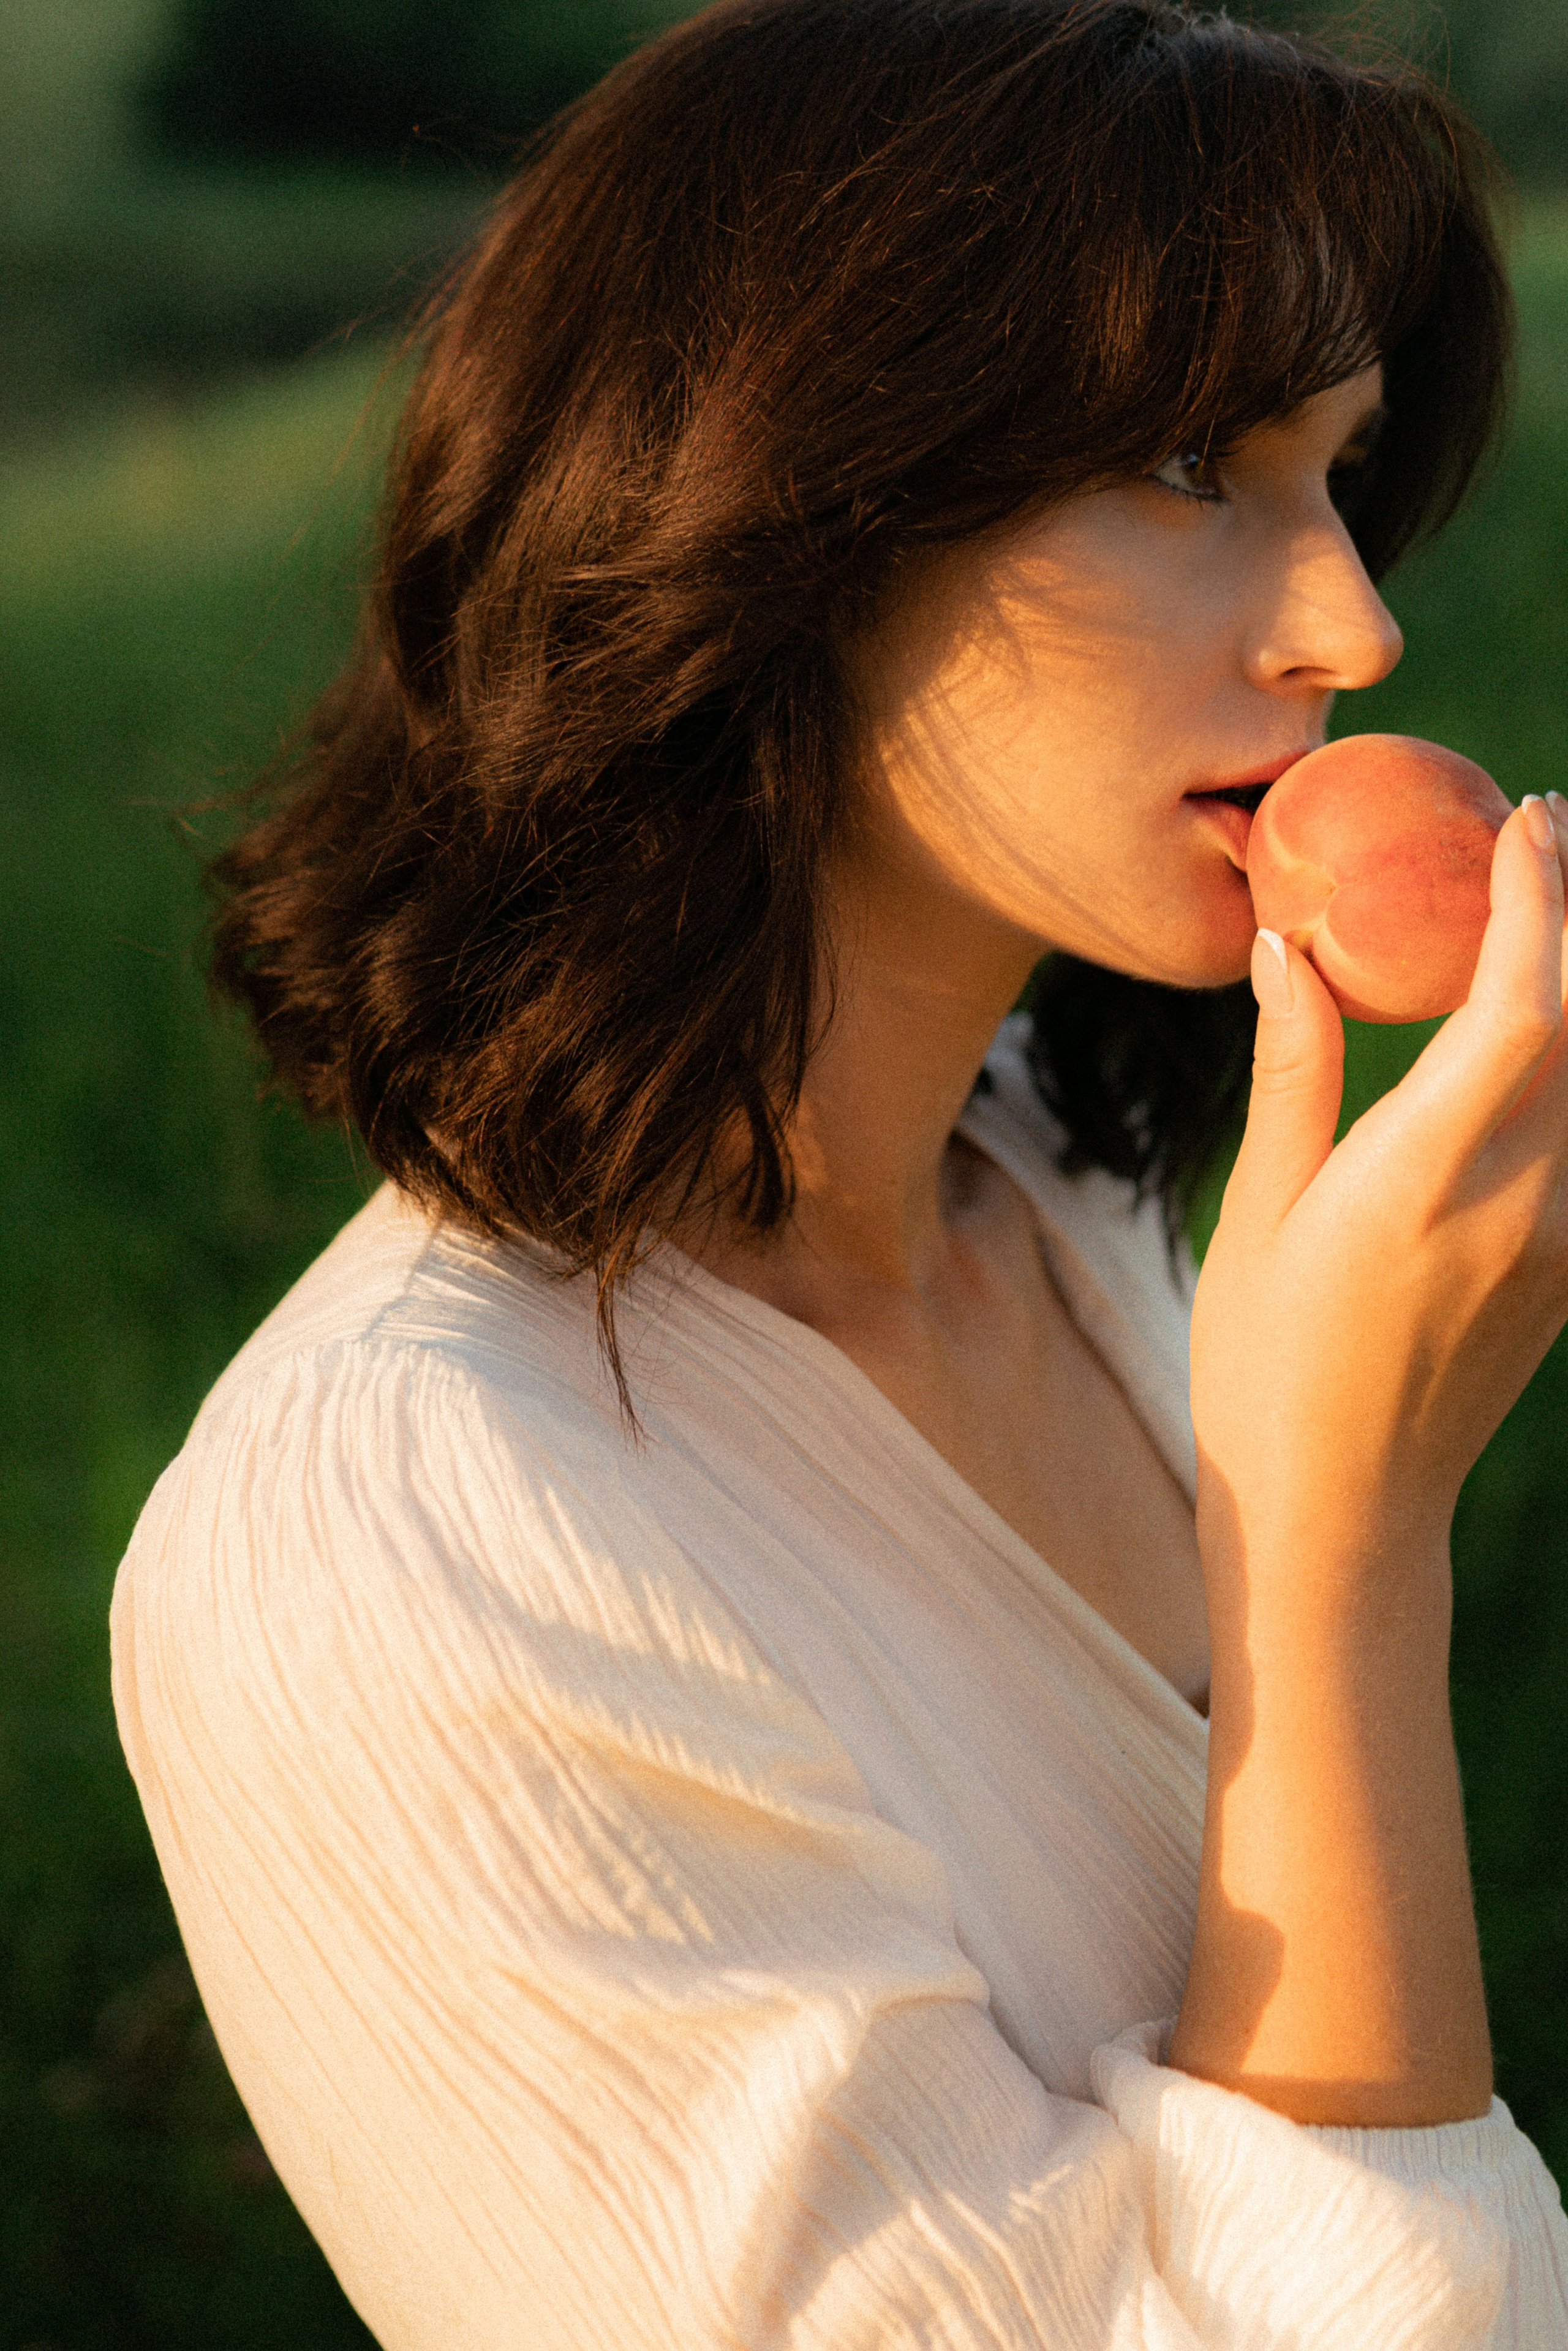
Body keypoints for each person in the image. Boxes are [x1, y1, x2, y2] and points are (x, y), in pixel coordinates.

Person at [111, 1, 1568, 2342]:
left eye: (1337, 475)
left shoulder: (1052, 1193)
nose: (1359, 627)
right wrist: (1340, 1549)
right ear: (793, 496)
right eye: (1196, 463)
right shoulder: (396, 1550)